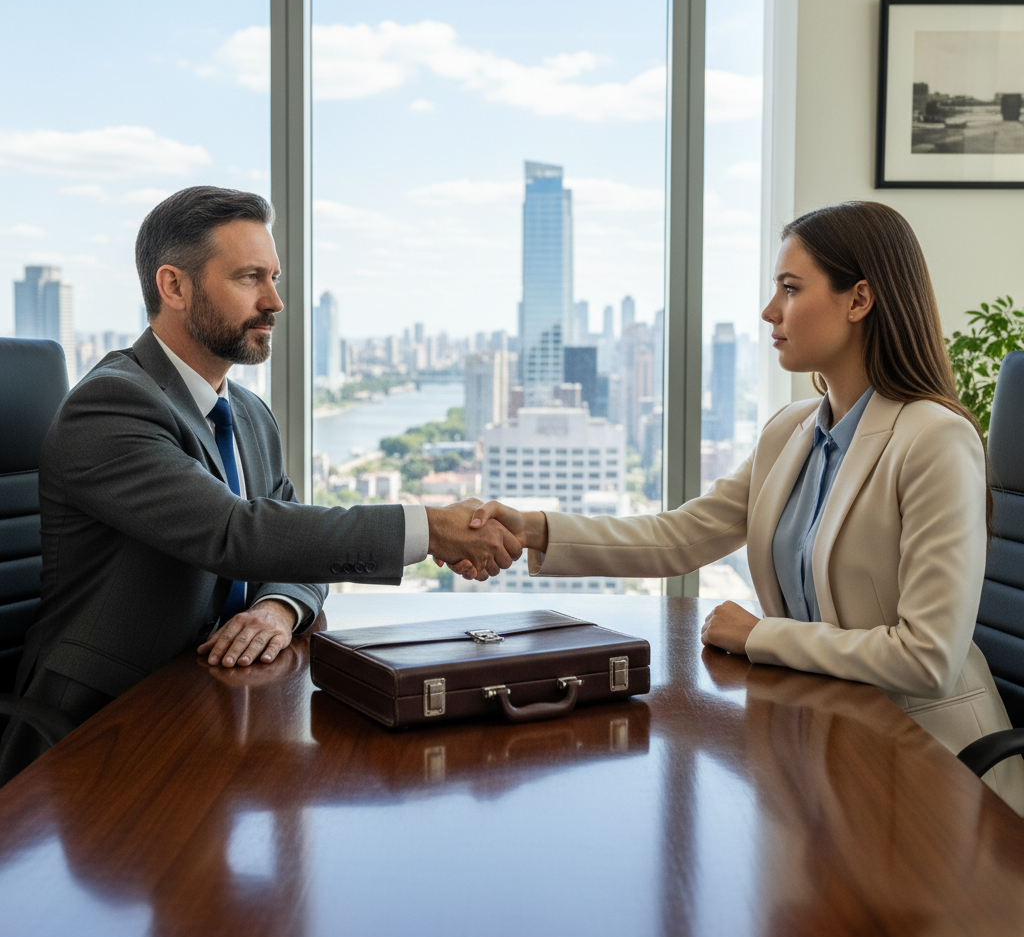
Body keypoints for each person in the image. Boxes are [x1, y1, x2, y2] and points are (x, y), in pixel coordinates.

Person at [460, 201, 1024, 812]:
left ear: (858, 300)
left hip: (932, 772)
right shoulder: (789, 431)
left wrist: (761, 635)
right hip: (823, 744)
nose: (769, 311)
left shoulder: (933, 439)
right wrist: (536, 528)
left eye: (790, 289)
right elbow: (679, 537)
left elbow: (928, 658)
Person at [0, 185, 520, 783]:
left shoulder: (248, 414)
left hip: (212, 706)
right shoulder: (112, 406)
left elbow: (293, 545)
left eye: (274, 277)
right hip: (100, 732)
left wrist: (277, 608)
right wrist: (429, 528)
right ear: (174, 286)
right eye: (250, 278)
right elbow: (237, 534)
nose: (275, 301)